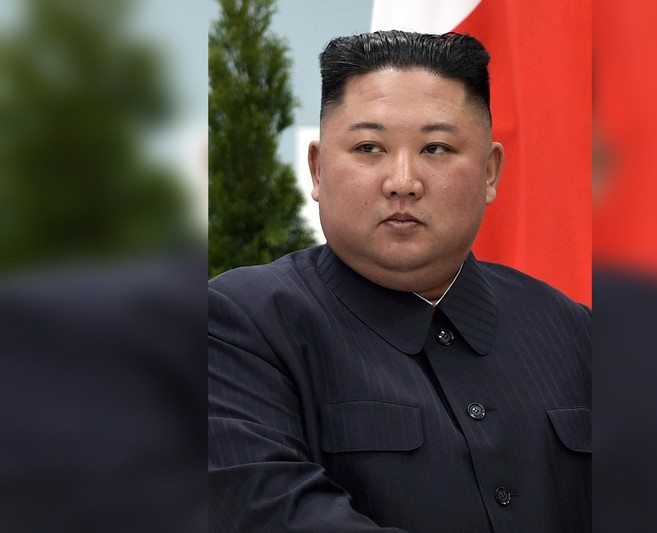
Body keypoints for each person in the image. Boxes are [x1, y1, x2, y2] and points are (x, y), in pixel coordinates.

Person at [208, 30, 591, 532]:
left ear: (491, 171)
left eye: (436, 148)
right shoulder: (240, 325)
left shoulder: (574, 332)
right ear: (318, 170)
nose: (403, 181)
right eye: (369, 147)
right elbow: (272, 515)